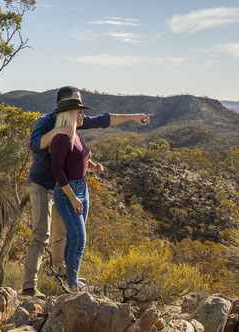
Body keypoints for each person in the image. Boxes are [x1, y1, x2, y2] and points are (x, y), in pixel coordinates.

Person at [22, 86, 150, 297]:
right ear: (63, 104)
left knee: (61, 234)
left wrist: (135, 117)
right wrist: (58, 130)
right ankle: (29, 287)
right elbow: (35, 145)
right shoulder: (46, 121)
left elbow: (104, 120)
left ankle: (60, 278)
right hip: (43, 185)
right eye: (76, 103)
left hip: (63, 188)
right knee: (41, 234)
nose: (81, 109)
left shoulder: (76, 120)